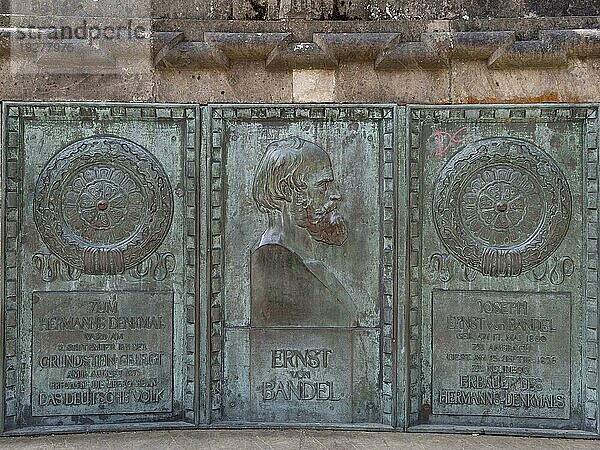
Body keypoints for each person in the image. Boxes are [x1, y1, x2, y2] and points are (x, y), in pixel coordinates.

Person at [250, 136, 358, 327]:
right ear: (286, 190)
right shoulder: (273, 262)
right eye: (323, 185)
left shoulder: (304, 258)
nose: (336, 195)